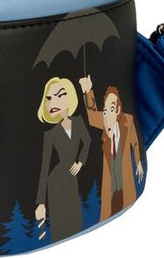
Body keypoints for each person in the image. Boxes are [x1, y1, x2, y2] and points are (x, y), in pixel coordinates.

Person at [78, 75, 144, 221]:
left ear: (118, 109)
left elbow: (135, 143)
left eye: (111, 108)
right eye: (105, 110)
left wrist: (138, 162)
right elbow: (91, 116)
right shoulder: (105, 120)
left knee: (125, 201)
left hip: (125, 181)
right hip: (110, 185)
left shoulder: (128, 121)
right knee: (108, 210)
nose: (107, 114)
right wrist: (88, 91)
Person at [34, 77, 91, 242]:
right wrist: (41, 202)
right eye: (49, 98)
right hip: (56, 181)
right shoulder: (50, 134)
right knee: (60, 224)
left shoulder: (78, 122)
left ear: (70, 97)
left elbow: (87, 141)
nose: (53, 102)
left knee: (75, 219)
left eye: (60, 95)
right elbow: (45, 167)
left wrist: (80, 162)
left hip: (72, 177)